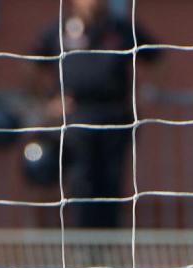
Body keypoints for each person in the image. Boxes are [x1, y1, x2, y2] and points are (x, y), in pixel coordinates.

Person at [30, 0, 161, 229]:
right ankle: (83, 244)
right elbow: (31, 66)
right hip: (76, 120)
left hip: (115, 119)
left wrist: (146, 92)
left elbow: (158, 59)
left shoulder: (121, 29)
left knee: (111, 185)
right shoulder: (59, 30)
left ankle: (108, 244)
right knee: (81, 184)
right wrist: (47, 101)